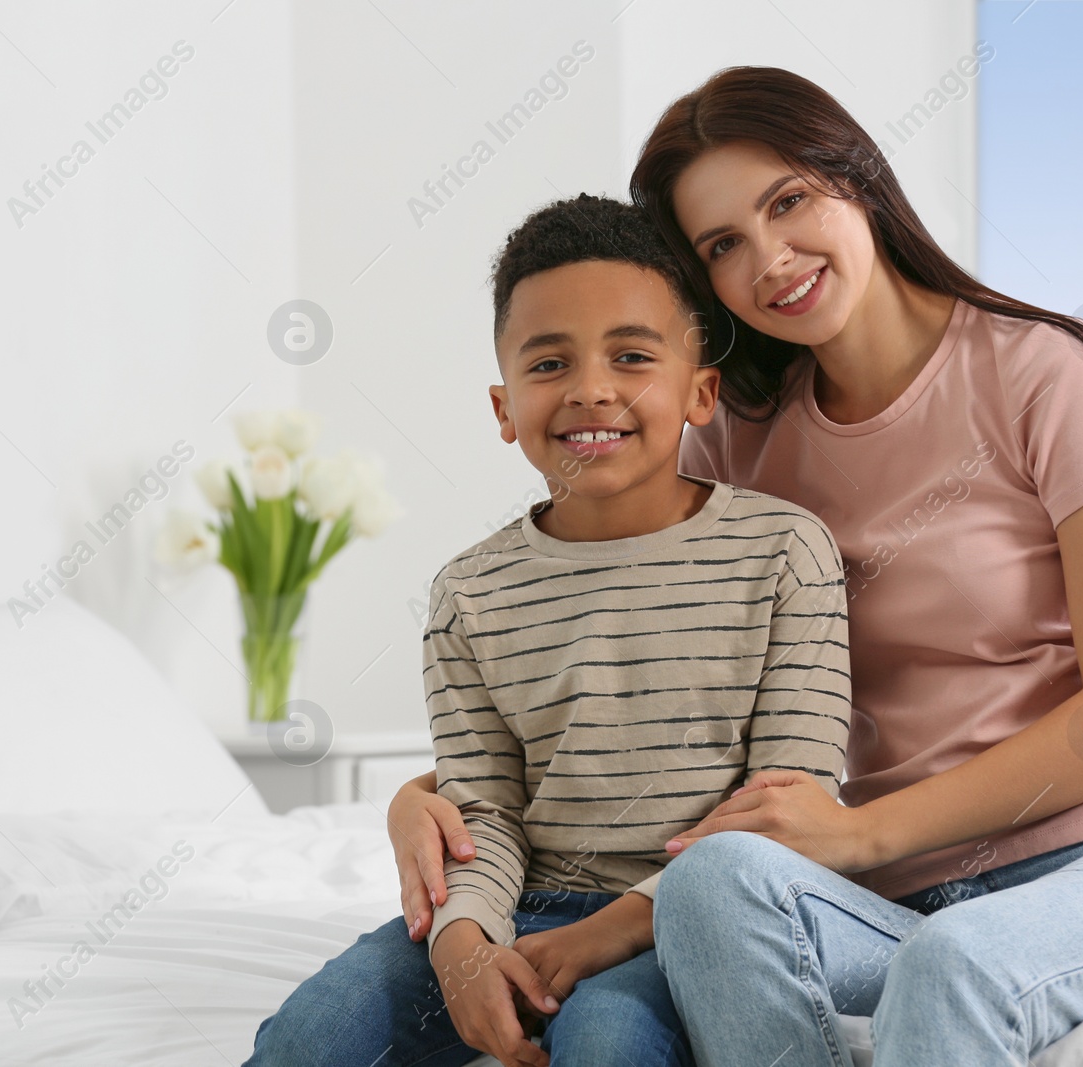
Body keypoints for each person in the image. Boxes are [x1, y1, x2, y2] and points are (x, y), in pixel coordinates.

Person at [387, 66, 1083, 1065]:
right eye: (722, 245)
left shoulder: (1048, 372)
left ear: (857, 179)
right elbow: (626, 685)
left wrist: (864, 833)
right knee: (717, 883)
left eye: (787, 201)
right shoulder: (738, 436)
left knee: (957, 962)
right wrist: (429, 790)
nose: (769, 258)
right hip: (885, 895)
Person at [244, 193, 853, 1067]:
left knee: (608, 1044)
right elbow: (481, 805)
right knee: (308, 1038)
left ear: (700, 390)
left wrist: (604, 936)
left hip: (690, 917)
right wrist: (462, 943)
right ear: (503, 407)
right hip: (519, 905)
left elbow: (787, 808)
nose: (590, 389)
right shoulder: (470, 591)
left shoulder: (784, 553)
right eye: (549, 364)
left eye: (632, 356)